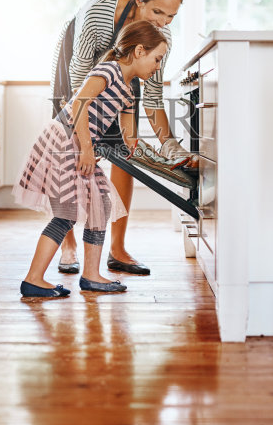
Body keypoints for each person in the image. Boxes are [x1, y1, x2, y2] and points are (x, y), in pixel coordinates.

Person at [51, 0, 196, 278]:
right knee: (70, 150)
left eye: (171, 17)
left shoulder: (159, 38)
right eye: (157, 12)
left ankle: (117, 248)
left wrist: (170, 147)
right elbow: (79, 90)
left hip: (125, 64)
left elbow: (153, 97)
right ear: (139, 0)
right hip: (77, 65)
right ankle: (68, 244)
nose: (163, 23)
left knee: (123, 152)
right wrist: (86, 142)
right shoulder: (98, 15)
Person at [14, 20, 169, 298]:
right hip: (66, 142)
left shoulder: (129, 90)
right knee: (66, 213)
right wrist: (86, 149)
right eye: (157, 59)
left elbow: (130, 139)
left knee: (100, 205)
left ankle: (91, 275)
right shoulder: (108, 70)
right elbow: (79, 104)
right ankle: (33, 279)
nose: (158, 67)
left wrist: (159, 159)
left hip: (81, 146)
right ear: (139, 51)